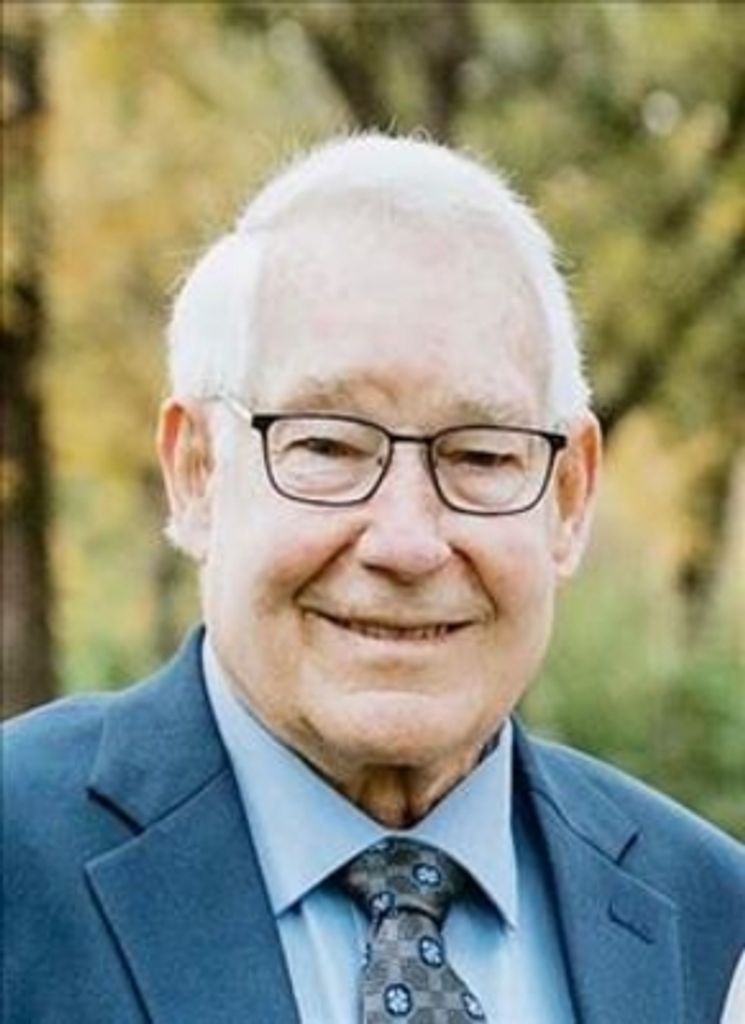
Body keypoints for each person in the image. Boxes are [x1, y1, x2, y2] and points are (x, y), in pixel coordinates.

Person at [4, 134, 744, 1024]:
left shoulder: (715, 926)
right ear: (196, 470)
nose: (406, 541)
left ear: (569, 496)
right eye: (327, 446)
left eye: (479, 456)